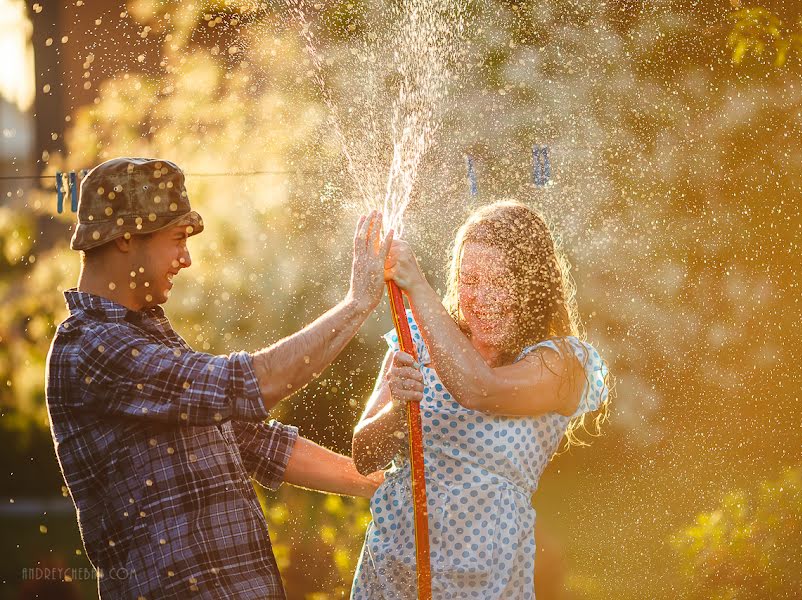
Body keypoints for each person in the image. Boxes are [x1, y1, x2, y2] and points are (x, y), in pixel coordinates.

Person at [45, 157, 392, 599]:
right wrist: (357, 303)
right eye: (176, 240)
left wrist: (383, 486)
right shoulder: (91, 348)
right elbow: (249, 383)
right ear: (127, 240)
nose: (185, 259)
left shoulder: (147, 336)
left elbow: (257, 443)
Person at [350, 200, 611, 598]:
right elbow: (364, 454)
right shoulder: (416, 342)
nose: (482, 297)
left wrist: (416, 285)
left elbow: (479, 388)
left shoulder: (564, 364)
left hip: (486, 582)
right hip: (393, 575)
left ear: (533, 287)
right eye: (470, 281)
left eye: (500, 281)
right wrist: (398, 412)